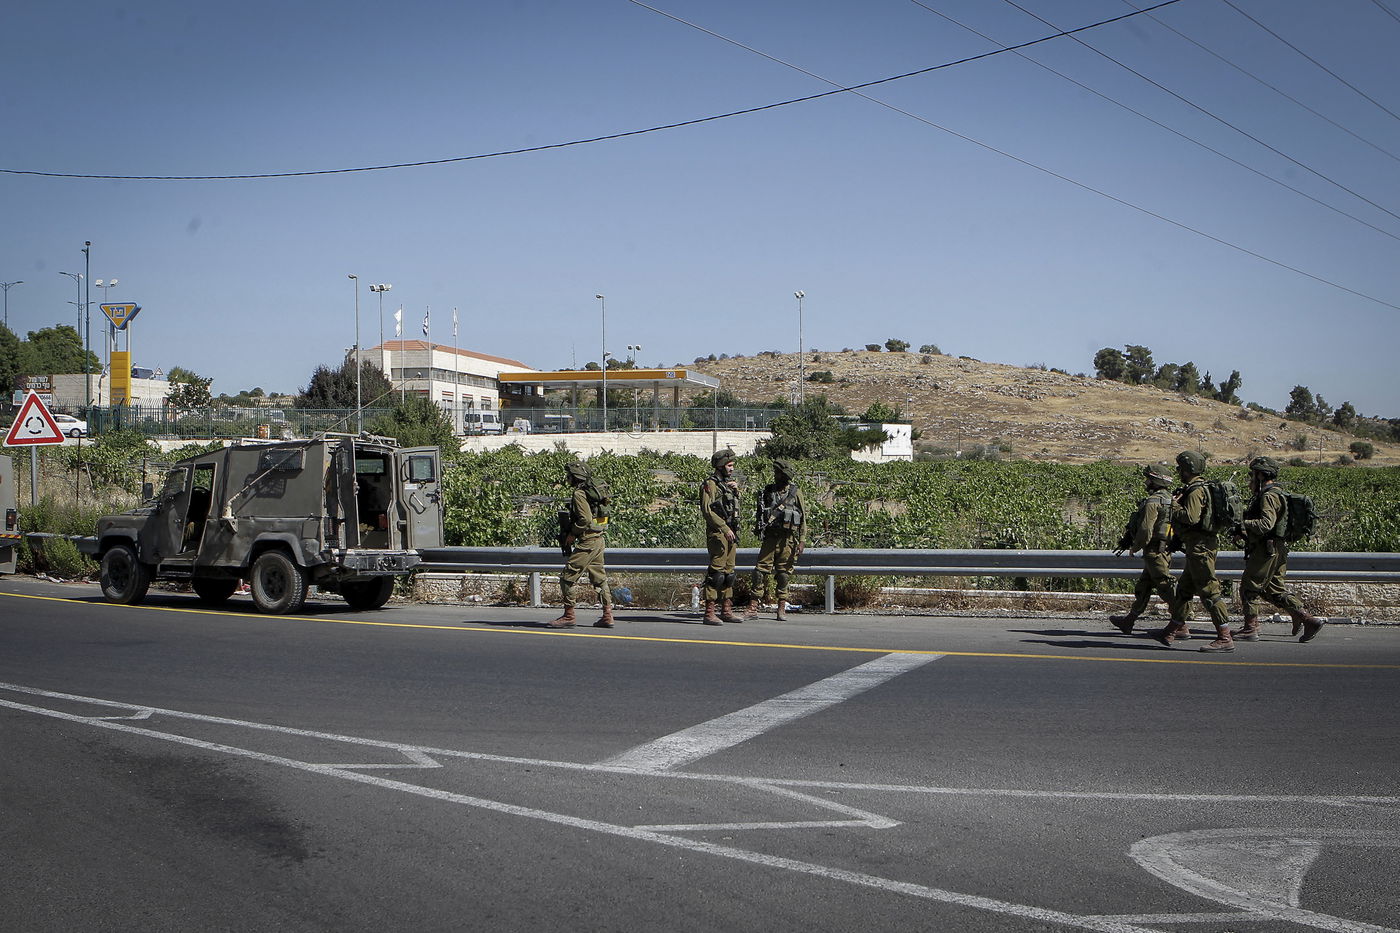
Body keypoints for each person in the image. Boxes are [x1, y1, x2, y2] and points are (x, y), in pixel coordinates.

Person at [1234, 456, 1324, 643]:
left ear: (1260, 475)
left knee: (1249, 588)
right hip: (1277, 548)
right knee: (1273, 590)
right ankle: (1307, 619)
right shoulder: (1277, 492)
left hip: (1266, 549)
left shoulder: (1268, 496)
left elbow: (1266, 524)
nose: (1251, 479)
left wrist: (1243, 523)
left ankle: (1250, 628)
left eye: (1253, 474)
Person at [1154, 450, 1235, 652]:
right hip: (1196, 547)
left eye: (1180, 468)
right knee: (1184, 590)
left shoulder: (1196, 491)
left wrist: (1173, 505)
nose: (1178, 471)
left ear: (1188, 469)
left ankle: (1225, 637)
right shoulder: (1198, 488)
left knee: (1209, 590)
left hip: (1201, 548)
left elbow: (1191, 517)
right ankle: (1172, 630)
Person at [1109, 463, 1177, 635]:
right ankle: (1129, 621)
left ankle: (1180, 624)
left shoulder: (1153, 502)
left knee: (1165, 586)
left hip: (1155, 551)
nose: (1146, 482)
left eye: (1148, 479)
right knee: (1144, 587)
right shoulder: (1171, 499)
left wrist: (1135, 546)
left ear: (1155, 481)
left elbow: (1146, 529)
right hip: (1162, 549)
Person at [550, 461, 614, 629]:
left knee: (567, 577)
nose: (567, 478)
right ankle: (607, 615)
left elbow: (585, 519)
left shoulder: (579, 493)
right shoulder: (592, 492)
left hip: (587, 542)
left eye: (569, 476)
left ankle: (569, 615)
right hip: (598, 539)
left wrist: (572, 534)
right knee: (599, 578)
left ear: (575, 477)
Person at [748, 458, 807, 621]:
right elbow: (760, 513)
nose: (775, 476)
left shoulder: (795, 493)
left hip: (787, 539)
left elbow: (803, 518)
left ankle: (781, 606)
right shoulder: (768, 492)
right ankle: (753, 606)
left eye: (778, 473)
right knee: (759, 572)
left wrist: (802, 540)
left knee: (783, 574)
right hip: (770, 538)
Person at [699, 448, 741, 625]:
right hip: (718, 533)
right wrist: (723, 528)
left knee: (729, 573)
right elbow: (707, 510)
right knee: (716, 573)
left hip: (731, 532)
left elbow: (732, 507)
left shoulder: (726, 485)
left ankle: (726, 609)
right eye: (729, 465)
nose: (732, 469)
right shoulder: (710, 484)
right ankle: (709, 612)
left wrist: (736, 492)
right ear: (721, 466)